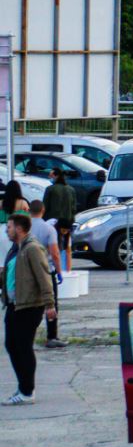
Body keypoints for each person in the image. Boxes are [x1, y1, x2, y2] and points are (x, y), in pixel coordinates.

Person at [2, 213, 57, 406]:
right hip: (13, 304)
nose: (6, 230)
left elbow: (44, 276)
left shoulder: (32, 248)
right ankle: (23, 386)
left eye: (9, 227)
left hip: (29, 306)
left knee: (23, 347)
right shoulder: (15, 249)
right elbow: (12, 273)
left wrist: (50, 304)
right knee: (11, 345)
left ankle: (27, 391)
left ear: (19, 228)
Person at [26, 200, 64, 348]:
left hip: (28, 271)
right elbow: (54, 253)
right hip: (46, 269)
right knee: (51, 303)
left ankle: (28, 335)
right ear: (43, 210)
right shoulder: (48, 229)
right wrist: (59, 271)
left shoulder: (25, 227)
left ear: (29, 210)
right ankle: (51, 336)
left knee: (30, 303)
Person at [42, 169, 76, 269]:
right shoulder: (71, 189)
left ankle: (55, 269)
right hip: (67, 225)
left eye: (50, 175)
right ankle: (66, 270)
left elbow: (45, 207)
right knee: (67, 249)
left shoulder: (50, 189)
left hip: (52, 224)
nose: (49, 177)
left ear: (55, 176)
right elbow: (74, 208)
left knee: (52, 249)